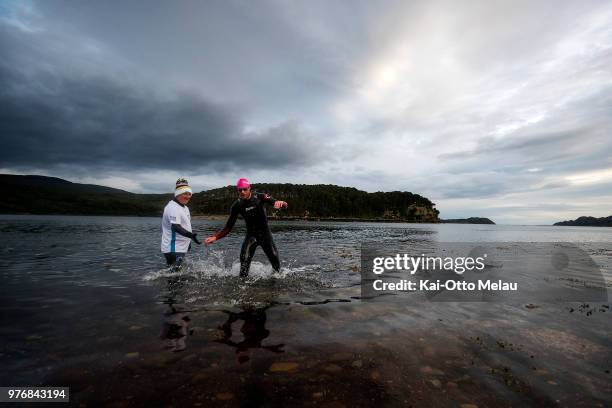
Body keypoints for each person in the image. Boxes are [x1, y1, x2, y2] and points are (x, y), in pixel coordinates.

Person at [205, 178, 288, 277]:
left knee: (276, 265)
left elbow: (279, 203)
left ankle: (276, 286)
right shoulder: (237, 205)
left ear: (249, 188)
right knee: (244, 262)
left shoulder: (260, 196)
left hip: (265, 236)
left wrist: (281, 203)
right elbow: (228, 227)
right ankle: (243, 289)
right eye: (240, 190)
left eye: (245, 189)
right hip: (251, 236)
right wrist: (215, 237)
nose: (242, 192)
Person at [161, 178, 201, 268]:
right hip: (173, 248)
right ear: (178, 193)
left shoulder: (185, 208)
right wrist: (190, 235)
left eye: (189, 194)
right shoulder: (172, 207)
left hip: (180, 246)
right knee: (174, 276)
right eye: (185, 194)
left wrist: (189, 241)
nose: (188, 196)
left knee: (176, 274)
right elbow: (176, 227)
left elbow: (186, 226)